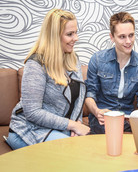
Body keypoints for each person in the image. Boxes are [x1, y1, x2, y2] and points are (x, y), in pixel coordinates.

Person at [6, 9, 90, 150]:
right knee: (75, 152)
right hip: (29, 131)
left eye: (76, 32)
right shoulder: (36, 64)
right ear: (54, 36)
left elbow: (79, 99)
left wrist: (78, 124)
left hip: (59, 129)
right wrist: (73, 125)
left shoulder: (72, 58)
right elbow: (33, 112)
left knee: (87, 149)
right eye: (70, 34)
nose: (76, 38)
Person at [85, 12, 138, 134]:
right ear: (112, 37)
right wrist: (96, 111)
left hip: (127, 119)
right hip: (102, 119)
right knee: (107, 129)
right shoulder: (98, 60)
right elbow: (90, 93)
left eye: (131, 35)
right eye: (122, 37)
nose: (128, 41)